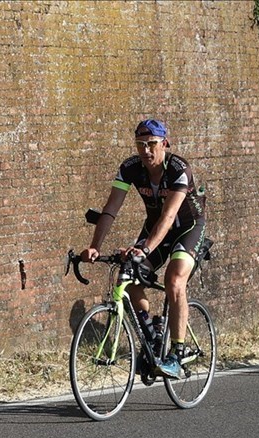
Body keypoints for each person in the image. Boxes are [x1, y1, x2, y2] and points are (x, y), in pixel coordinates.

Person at [81, 119, 207, 379]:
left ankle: (178, 352)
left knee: (174, 280)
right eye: (140, 145)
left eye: (151, 144)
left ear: (164, 143)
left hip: (187, 227)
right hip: (154, 229)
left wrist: (145, 250)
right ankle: (153, 333)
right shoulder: (130, 168)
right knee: (128, 276)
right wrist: (94, 246)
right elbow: (111, 209)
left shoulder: (178, 168)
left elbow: (169, 216)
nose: (146, 151)